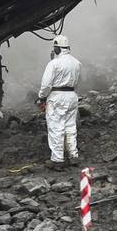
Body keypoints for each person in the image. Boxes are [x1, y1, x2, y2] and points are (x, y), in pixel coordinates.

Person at [36, 34, 82, 170]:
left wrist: (42, 97)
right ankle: (73, 156)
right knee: (70, 127)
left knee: (56, 128)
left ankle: (57, 160)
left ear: (56, 49)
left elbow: (46, 84)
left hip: (57, 96)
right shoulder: (77, 63)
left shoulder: (53, 63)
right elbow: (79, 81)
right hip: (72, 95)